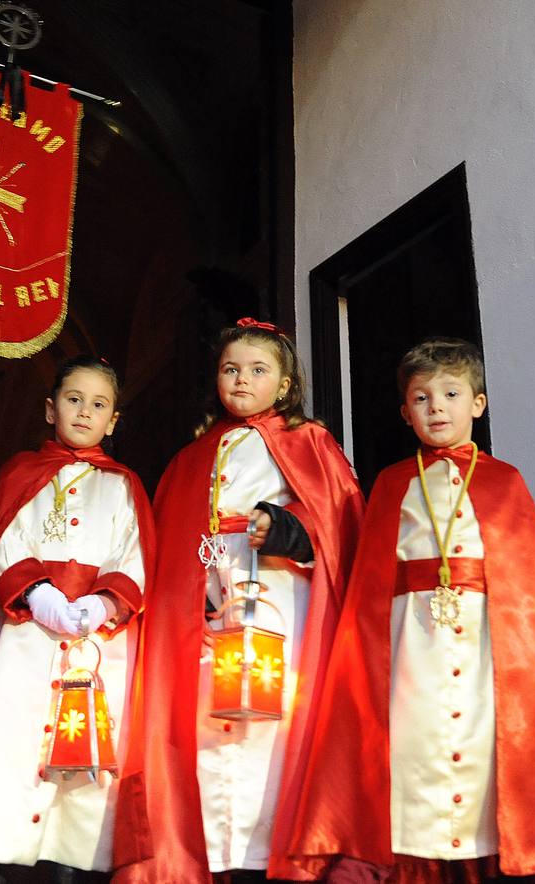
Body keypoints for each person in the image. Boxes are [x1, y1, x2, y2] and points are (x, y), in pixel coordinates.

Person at [287, 337, 535, 881]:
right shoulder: (391, 482)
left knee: (484, 740)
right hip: (410, 634)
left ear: (478, 404)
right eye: (421, 398)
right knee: (413, 741)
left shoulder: (504, 479)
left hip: (486, 635)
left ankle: (490, 854)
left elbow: (534, 579)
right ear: (405, 412)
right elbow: (370, 578)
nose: (436, 407)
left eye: (450, 393)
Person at [114, 318, 364, 882]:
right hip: (210, 613)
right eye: (231, 369)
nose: (242, 379)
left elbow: (339, 522)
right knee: (208, 723)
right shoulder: (189, 459)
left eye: (257, 370)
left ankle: (273, 853)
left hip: (283, 607)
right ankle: (216, 855)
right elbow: (176, 544)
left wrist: (283, 526)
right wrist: (192, 594)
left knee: (274, 730)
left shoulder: (311, 443)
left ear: (284, 384)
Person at [0, 355, 153, 878]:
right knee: (9, 741)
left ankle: (72, 863)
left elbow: (134, 554)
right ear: (51, 409)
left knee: (86, 759)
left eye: (98, 405)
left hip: (95, 644)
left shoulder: (123, 485)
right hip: (21, 635)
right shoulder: (19, 472)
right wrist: (39, 592)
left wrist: (102, 602)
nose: (84, 412)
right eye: (74, 400)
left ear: (113, 420)